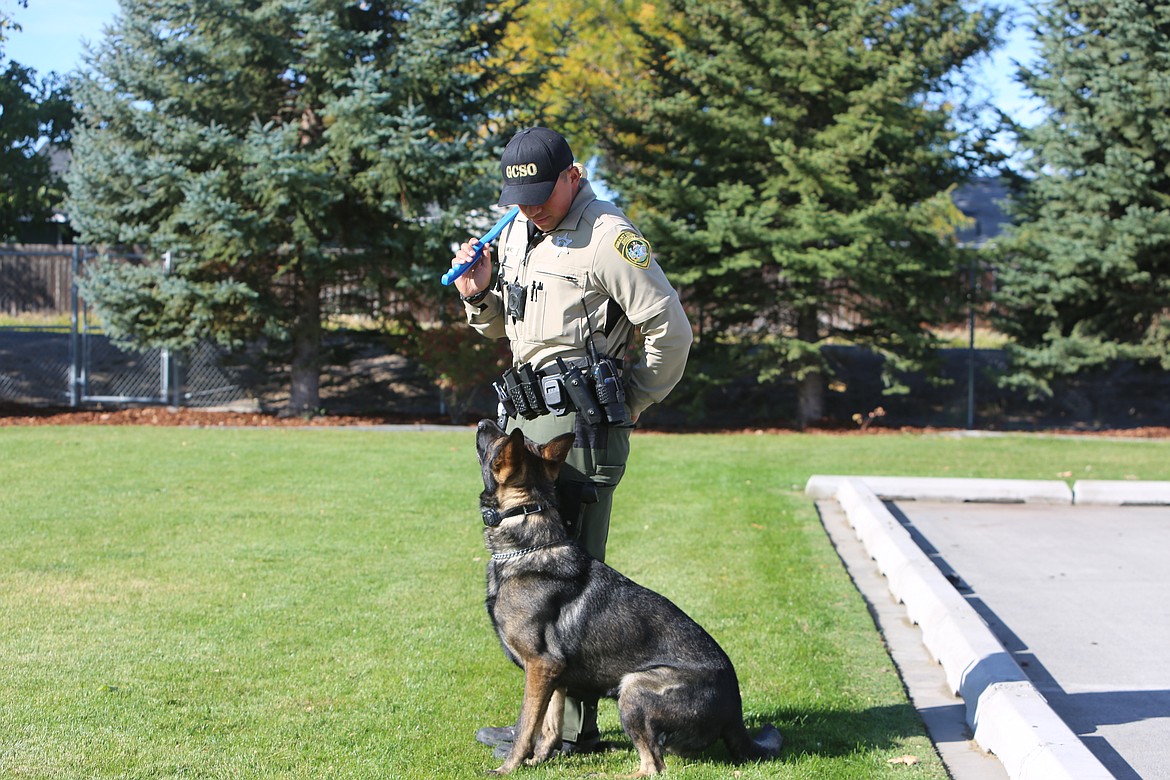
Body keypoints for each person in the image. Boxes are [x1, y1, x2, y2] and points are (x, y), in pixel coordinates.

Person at [450, 126, 693, 755]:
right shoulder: (517, 233)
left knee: (573, 582)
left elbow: (671, 329)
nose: (528, 206)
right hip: (530, 421)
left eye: (539, 193)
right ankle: (548, 729)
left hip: (582, 434)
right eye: (517, 195)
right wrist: (478, 294)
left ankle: (572, 731)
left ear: (572, 176)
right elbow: (510, 327)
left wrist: (628, 403)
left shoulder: (608, 238)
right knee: (536, 584)